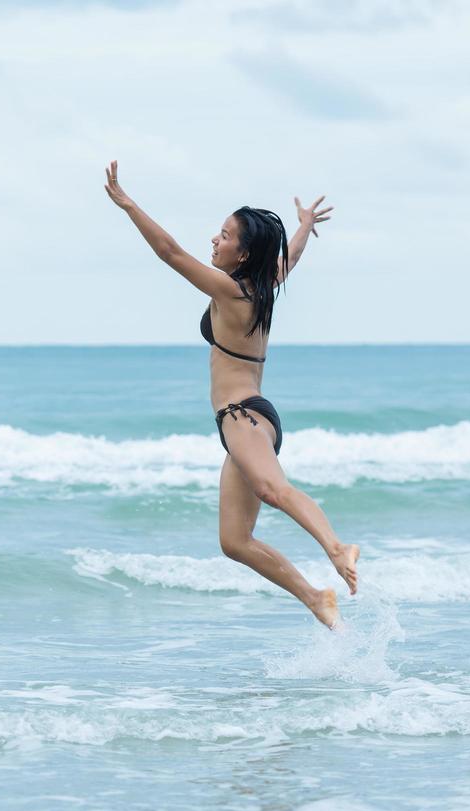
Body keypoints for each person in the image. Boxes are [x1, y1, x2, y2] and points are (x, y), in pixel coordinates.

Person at [103, 160, 360, 629]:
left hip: (243, 417)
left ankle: (336, 546)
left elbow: (170, 252)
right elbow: (291, 258)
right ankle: (316, 597)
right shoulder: (261, 287)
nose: (214, 241)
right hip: (246, 420)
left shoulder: (231, 292)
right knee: (235, 541)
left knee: (272, 488)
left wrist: (128, 205)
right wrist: (302, 227)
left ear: (242, 255)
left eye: (224, 235)